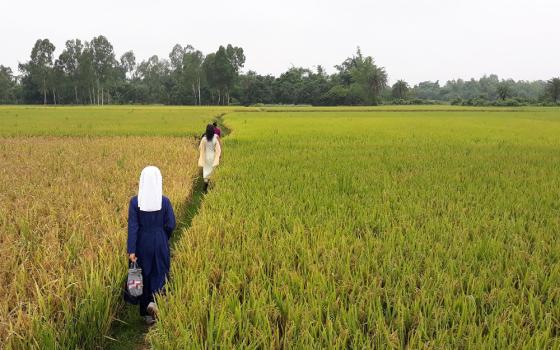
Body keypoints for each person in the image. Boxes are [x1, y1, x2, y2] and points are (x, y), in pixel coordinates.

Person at [127, 166, 176, 325]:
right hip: (160, 240)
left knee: (144, 275)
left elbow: (133, 227)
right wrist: (163, 237)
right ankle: (156, 303)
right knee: (160, 271)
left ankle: (147, 312)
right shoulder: (165, 201)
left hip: (142, 242)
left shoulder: (135, 202)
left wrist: (132, 249)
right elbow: (171, 224)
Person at [199, 124, 221, 193]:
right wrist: (218, 156)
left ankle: (205, 186)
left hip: (206, 157)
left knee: (206, 170)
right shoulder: (215, 138)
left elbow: (200, 148)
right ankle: (211, 186)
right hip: (213, 157)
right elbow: (218, 149)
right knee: (212, 170)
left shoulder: (204, 139)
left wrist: (202, 155)